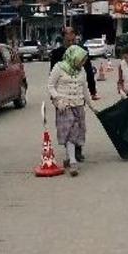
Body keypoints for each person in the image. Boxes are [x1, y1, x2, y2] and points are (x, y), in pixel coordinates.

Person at [48, 46, 95, 177]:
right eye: (81, 60)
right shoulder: (59, 67)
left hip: (78, 104)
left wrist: (91, 104)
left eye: (84, 60)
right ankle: (73, 162)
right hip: (64, 105)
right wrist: (58, 99)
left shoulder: (82, 71)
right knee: (70, 132)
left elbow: (85, 88)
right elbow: (50, 85)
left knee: (76, 133)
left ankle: (69, 157)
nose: (83, 63)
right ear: (73, 57)